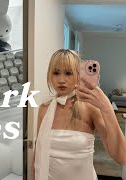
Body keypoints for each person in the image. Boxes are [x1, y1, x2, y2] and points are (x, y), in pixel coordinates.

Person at [31, 49, 126, 180]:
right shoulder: (44, 108)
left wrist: (106, 108)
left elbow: (122, 157)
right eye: (56, 73)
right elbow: (38, 153)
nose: (61, 80)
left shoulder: (90, 108)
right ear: (49, 75)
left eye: (68, 73)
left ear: (78, 75)